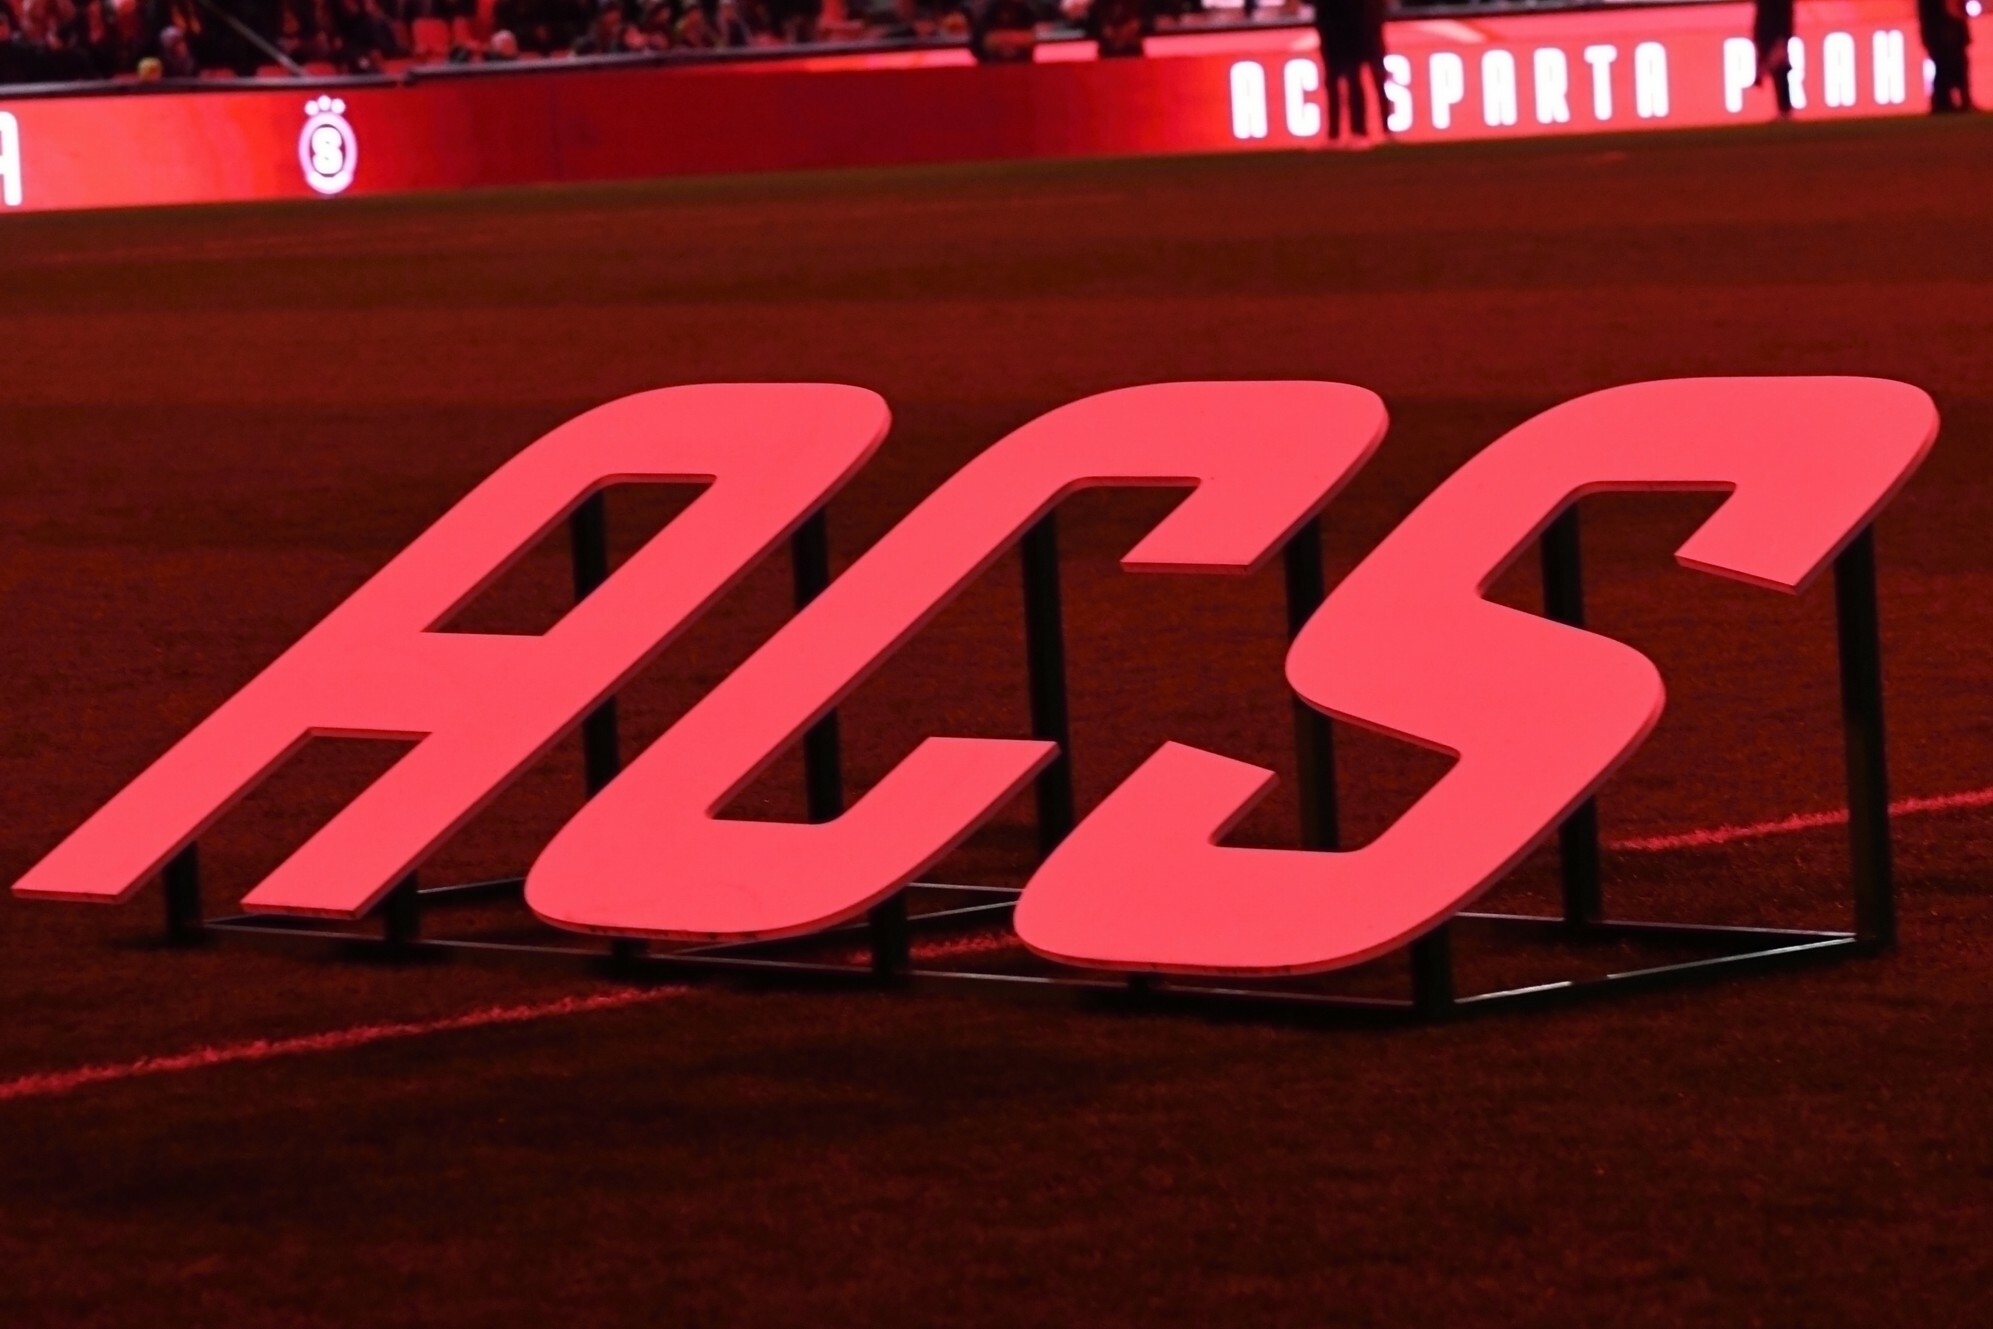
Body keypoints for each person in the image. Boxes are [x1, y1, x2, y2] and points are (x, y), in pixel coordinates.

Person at [1920, 0, 1974, 112]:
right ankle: (1945, 102)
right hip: (1942, 31)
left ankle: (1948, 102)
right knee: (1945, 66)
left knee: (1951, 66)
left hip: (1945, 30)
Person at [1753, 0, 1795, 118]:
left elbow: (1785, 16)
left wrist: (1782, 38)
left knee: (1780, 71)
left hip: (1774, 36)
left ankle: (1784, 110)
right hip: (1767, 36)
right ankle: (1784, 110)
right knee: (1778, 71)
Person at [970, 0, 1036, 63]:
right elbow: (980, 39)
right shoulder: (989, 12)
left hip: (1027, 65)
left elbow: (1035, 34)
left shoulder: (1028, 12)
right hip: (990, 66)